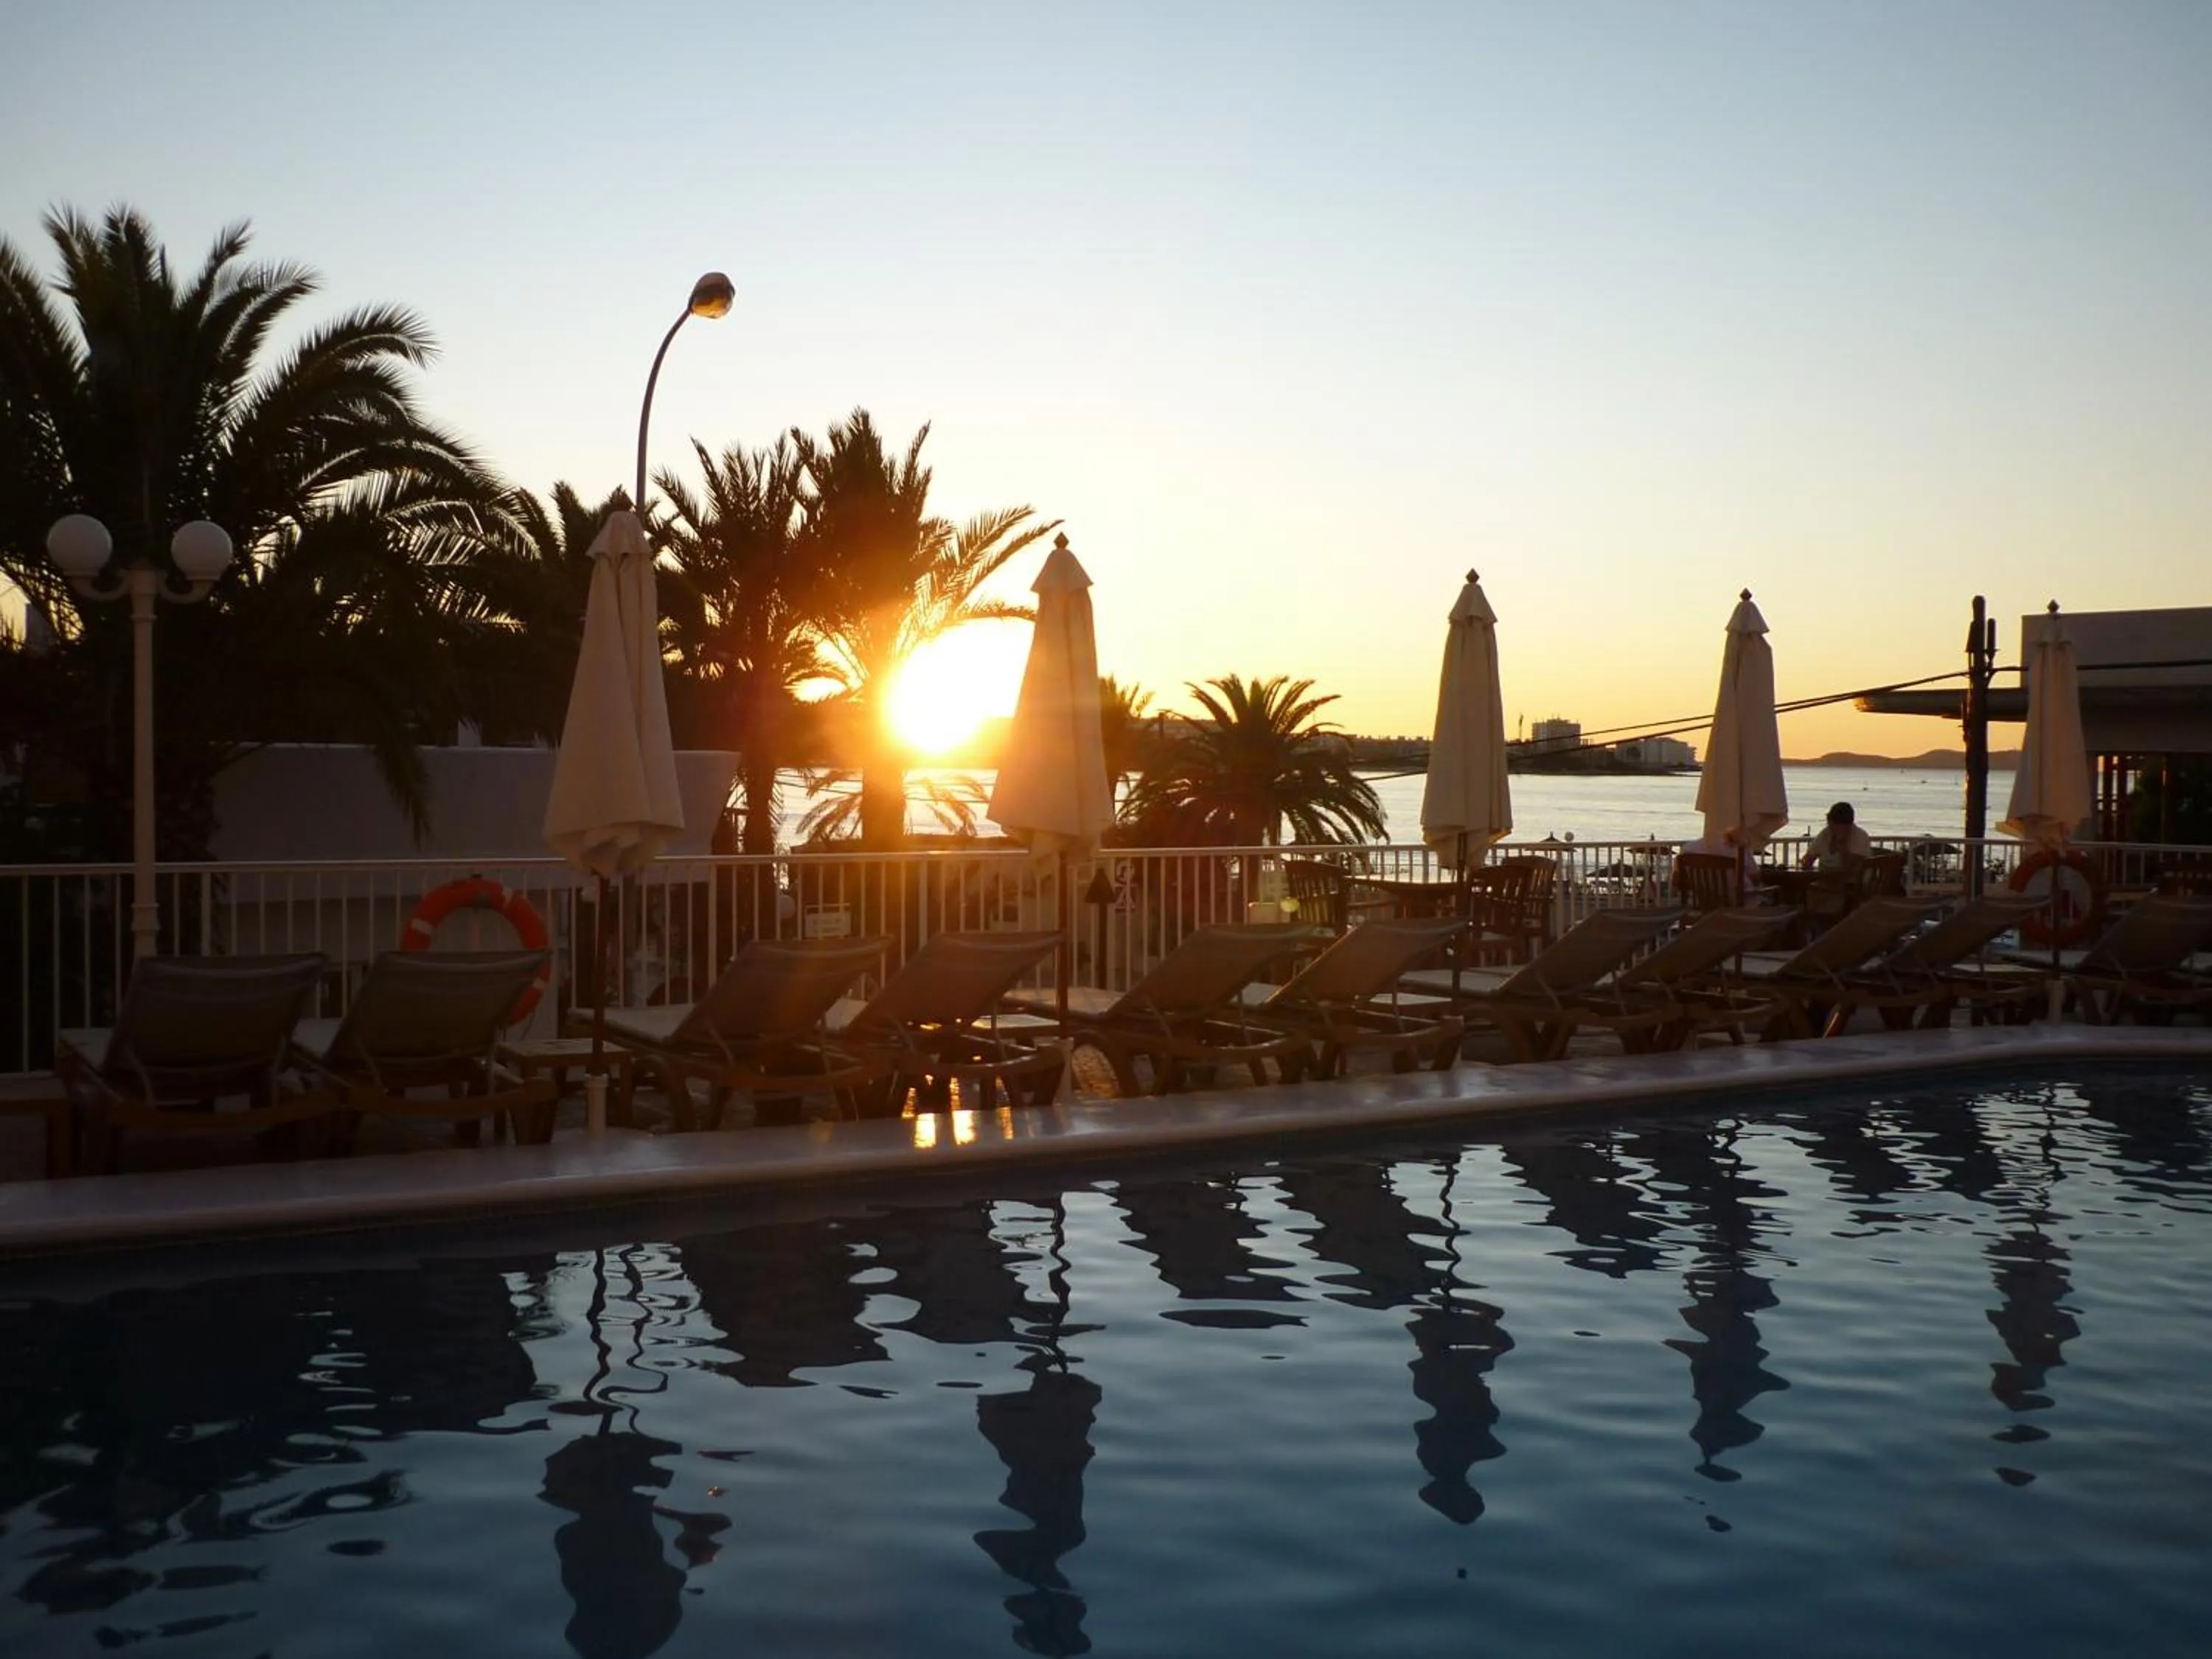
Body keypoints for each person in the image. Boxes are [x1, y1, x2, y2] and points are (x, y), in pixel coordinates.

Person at [1803, 802, 1874, 870]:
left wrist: (1841, 843)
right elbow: (1809, 859)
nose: (1830, 826)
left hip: (1853, 881)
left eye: (1834, 824)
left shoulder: (1860, 837)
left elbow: (1851, 868)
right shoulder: (1826, 834)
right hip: (1825, 878)